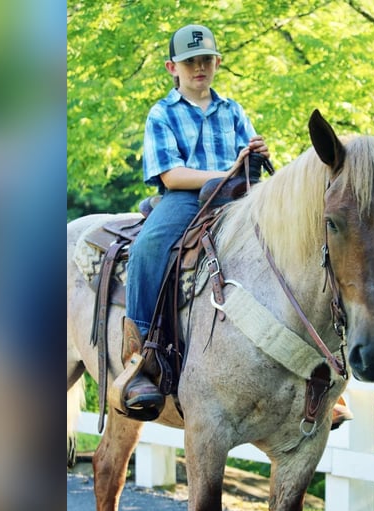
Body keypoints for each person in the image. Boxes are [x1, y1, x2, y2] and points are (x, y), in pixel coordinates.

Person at [112, 24, 352, 429]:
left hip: (240, 196)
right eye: (190, 62)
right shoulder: (163, 113)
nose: (199, 67)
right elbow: (170, 175)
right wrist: (224, 170)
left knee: (297, 245)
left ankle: (321, 367)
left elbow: (247, 164)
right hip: (186, 198)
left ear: (217, 63)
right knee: (148, 248)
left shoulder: (233, 110)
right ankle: (140, 359)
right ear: (174, 67)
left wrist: (256, 154)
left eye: (206, 59)